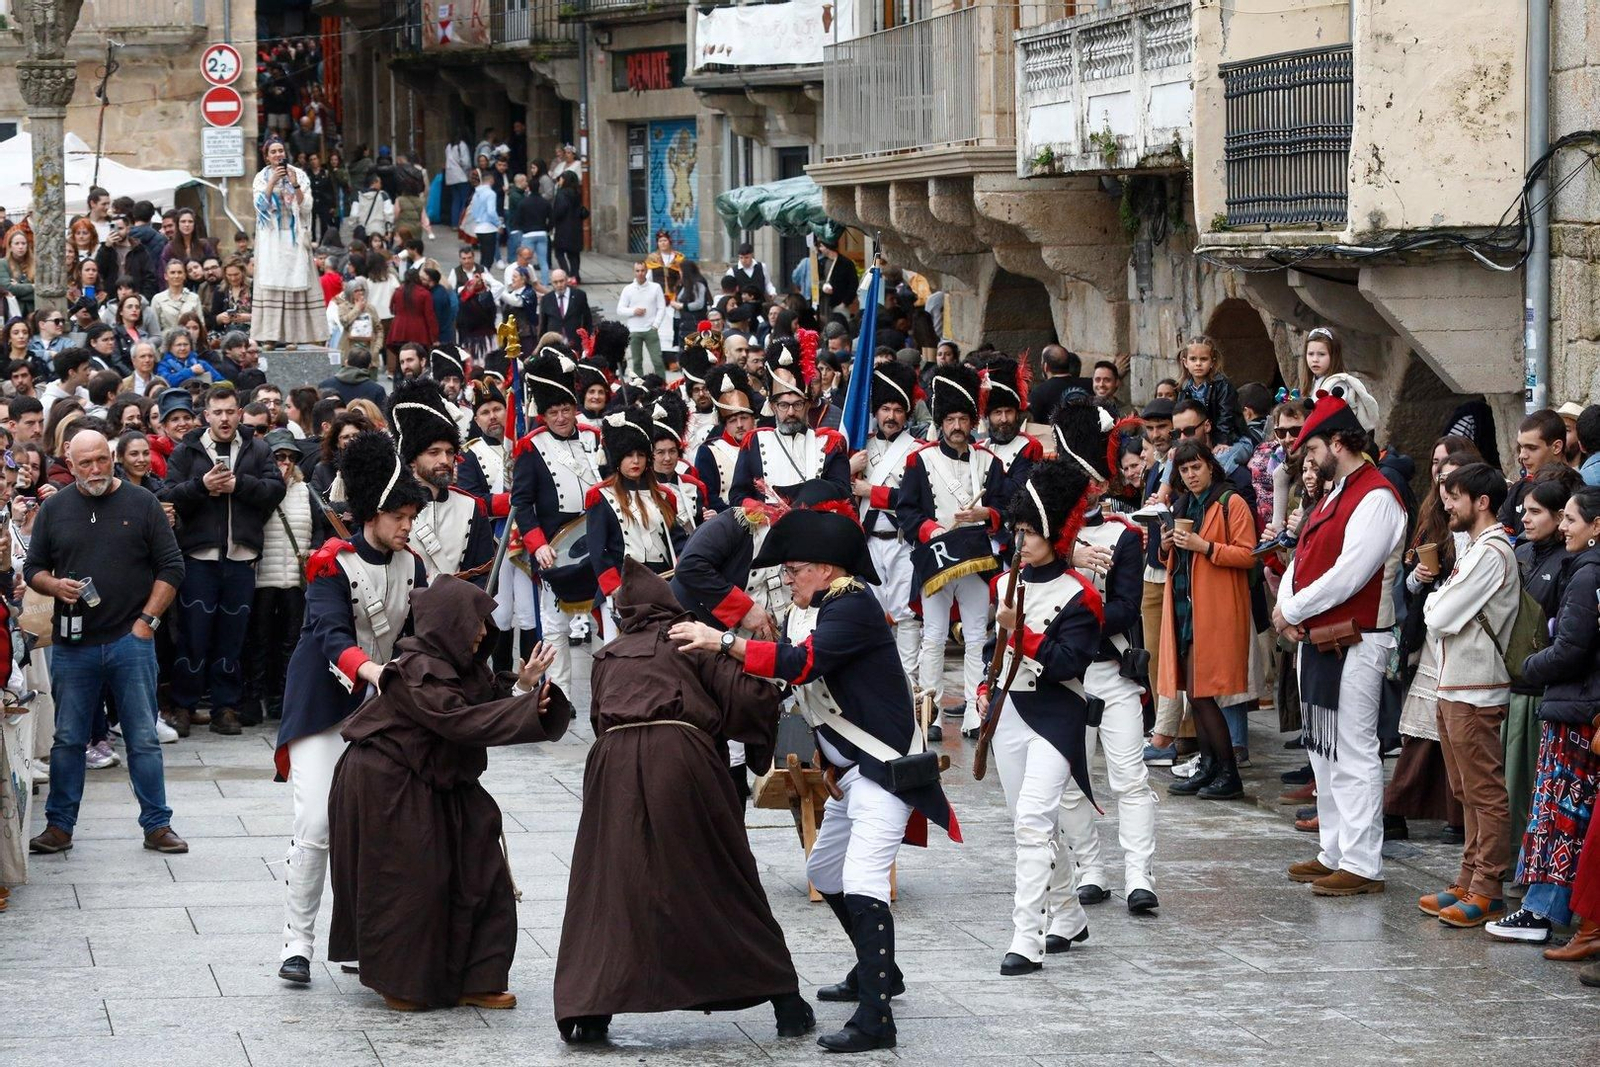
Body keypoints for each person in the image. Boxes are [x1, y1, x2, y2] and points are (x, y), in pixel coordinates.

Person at [670, 505, 960, 1053]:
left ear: (826, 569)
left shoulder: (851, 607)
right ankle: (881, 972)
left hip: (882, 772)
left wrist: (722, 643)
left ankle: (877, 1020)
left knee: (865, 880)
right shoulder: (835, 606)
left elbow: (801, 665)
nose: (787, 580)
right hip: (854, 775)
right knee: (824, 871)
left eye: (794, 569)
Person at [554, 560, 810, 1042]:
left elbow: (597, 717)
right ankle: (786, 1003)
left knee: (612, 884)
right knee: (720, 874)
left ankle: (591, 1009)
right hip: (681, 760)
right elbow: (747, 700)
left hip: (611, 769)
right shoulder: (691, 638)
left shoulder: (607, 656)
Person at [329, 580, 571, 1011]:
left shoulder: (463, 665)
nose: (482, 632)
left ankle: (477, 976)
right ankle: (403, 981)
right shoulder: (414, 671)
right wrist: (523, 709)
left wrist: (523, 688)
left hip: (441, 778)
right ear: (448, 624)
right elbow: (459, 721)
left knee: (481, 870)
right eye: (474, 622)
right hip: (388, 783)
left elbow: (480, 703)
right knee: (412, 883)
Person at [274, 431, 430, 985]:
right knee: (316, 821)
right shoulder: (328, 565)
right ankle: (297, 943)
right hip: (325, 706)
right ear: (372, 514)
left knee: (380, 830)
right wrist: (376, 673)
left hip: (386, 709)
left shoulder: (415, 566)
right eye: (399, 515)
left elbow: (423, 637)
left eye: (411, 514)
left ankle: (369, 940)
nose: (408, 525)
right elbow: (331, 637)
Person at [24, 430, 187, 857]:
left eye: (101, 460)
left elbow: (171, 566)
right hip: (74, 643)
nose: (95, 470)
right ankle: (59, 826)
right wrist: (54, 585)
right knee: (68, 739)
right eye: (85, 463)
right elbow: (34, 568)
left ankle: (157, 824)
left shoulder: (142, 503)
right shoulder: (55, 508)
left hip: (129, 639)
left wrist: (147, 622)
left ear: (112, 457)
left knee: (143, 737)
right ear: (68, 462)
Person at [1274, 394, 1406, 897]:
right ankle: (1335, 849)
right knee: (1323, 751)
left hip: (1357, 639)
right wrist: (1287, 606)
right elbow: (1301, 557)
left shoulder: (1377, 496)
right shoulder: (1336, 493)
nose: (1306, 458)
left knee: (1352, 751)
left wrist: (1293, 609)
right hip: (1323, 640)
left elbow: (1351, 574)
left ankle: (1362, 862)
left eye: (1312, 448)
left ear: (1337, 443)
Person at [977, 458, 1103, 974]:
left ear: (1054, 532)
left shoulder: (1082, 594)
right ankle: (1068, 913)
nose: (1020, 540)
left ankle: (1025, 936)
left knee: (1032, 821)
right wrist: (986, 686)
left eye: (1030, 531)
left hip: (1057, 716)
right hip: (1009, 714)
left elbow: (1069, 664)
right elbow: (993, 650)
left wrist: (1020, 631)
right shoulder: (1002, 585)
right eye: (1017, 530)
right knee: (1025, 823)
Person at [1052, 402, 1159, 912]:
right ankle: (1091, 868)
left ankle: (1140, 874)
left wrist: (1080, 611)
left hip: (1111, 671)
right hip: (1067, 679)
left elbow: (1125, 608)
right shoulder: (1049, 543)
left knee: (1130, 777)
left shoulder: (1124, 533)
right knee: (1071, 784)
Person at [1482, 485, 1600, 944]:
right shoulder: (1586, 569)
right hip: (1578, 705)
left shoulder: (1588, 573)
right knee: (1566, 815)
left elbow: (1570, 649)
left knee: (1560, 814)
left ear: (1595, 527)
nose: (1564, 527)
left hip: (1575, 709)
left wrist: (1527, 665)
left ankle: (1541, 911)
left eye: (1571, 519)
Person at [1417, 462, 1520, 928]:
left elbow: (1438, 615)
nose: (1447, 504)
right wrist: (1438, 601)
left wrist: (1436, 601)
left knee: (1483, 791)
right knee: (1464, 788)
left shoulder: (1493, 552)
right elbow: (1441, 606)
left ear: (1481, 502)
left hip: (1478, 688)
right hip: (1456, 683)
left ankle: (1488, 887)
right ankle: (1469, 876)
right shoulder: (1476, 548)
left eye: (1455, 496)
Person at [158, 384, 286, 735]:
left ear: (240, 412)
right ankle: (184, 705)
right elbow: (167, 494)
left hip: (241, 557)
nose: (225, 418)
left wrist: (238, 486)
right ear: (206, 416)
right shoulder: (187, 450)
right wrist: (202, 486)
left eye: (231, 411)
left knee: (234, 636)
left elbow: (275, 489)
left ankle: (224, 707)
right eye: (218, 412)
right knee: (193, 634)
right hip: (199, 557)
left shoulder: (258, 448)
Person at [897, 364, 1004, 737]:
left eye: (963, 418)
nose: (958, 426)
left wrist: (986, 513)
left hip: (975, 559)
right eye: (951, 419)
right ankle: (932, 714)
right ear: (941, 423)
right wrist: (931, 530)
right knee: (933, 637)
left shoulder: (990, 463)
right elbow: (907, 510)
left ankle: (976, 714)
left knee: (976, 636)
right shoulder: (920, 460)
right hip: (936, 558)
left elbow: (1007, 508)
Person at [1155, 438, 1257, 801]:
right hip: (1186, 607)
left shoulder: (1232, 502)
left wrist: (1206, 547)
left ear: (1210, 466)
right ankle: (1210, 767)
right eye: (1184, 470)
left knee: (1202, 693)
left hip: (1214, 610)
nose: (1191, 474)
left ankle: (1228, 772)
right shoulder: (1183, 503)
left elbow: (1248, 555)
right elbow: (1171, 558)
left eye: (1196, 467)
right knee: (1193, 694)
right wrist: (1166, 546)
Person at [510, 348, 603, 692]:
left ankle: (605, 689)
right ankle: (559, 693)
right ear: (543, 414)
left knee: (602, 620)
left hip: (597, 537)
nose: (561, 418)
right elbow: (522, 502)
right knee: (554, 625)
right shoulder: (530, 447)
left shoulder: (594, 436)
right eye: (554, 412)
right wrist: (538, 546)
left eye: (566, 409)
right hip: (555, 542)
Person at [851, 360, 924, 685]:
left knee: (907, 617)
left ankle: (907, 684)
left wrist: (872, 491)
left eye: (897, 409)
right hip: (867, 542)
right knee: (868, 614)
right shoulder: (859, 446)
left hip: (902, 542)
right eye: (885, 408)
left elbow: (915, 500)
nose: (891, 416)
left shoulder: (919, 451)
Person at [584, 409, 687, 633]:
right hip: (621, 588)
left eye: (641, 455)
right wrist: (615, 588)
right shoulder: (599, 496)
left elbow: (678, 541)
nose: (636, 461)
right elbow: (597, 550)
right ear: (618, 458)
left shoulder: (664, 496)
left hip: (662, 585)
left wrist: (686, 569)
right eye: (629, 455)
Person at [242, 429, 319, 726]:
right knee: (258, 640)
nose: (284, 462)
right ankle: (253, 697)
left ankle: (283, 699)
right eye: (278, 457)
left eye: (290, 457)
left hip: (295, 579)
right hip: (263, 576)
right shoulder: (259, 488)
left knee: (291, 641)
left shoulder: (306, 490)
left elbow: (320, 526)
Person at [390, 378, 495, 584]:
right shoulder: (389, 507)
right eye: (434, 452)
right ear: (412, 459)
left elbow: (484, 575)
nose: (445, 460)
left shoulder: (472, 507)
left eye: (449, 452)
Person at [728, 334, 850, 505]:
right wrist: (761, 510)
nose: (791, 412)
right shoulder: (754, 442)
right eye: (784, 405)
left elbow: (844, 497)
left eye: (798, 404)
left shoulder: (831, 444)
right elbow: (738, 496)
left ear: (807, 405)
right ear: (772, 406)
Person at [252, 137, 330, 346]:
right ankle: (270, 337)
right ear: (266, 157)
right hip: (271, 238)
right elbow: (259, 208)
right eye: (273, 152)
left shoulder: (300, 175)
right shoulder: (261, 178)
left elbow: (306, 207)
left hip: (293, 237)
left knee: (295, 285)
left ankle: (293, 338)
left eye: (280, 151)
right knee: (272, 286)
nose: (278, 155)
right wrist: (272, 183)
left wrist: (294, 183)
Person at [693, 364, 757, 513]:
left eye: (744, 418)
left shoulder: (767, 444)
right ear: (725, 424)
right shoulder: (708, 452)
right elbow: (709, 497)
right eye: (733, 420)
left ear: (753, 419)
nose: (740, 425)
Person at [1500, 409, 1572, 537]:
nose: (1522, 455)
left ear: (1556, 447)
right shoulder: (1518, 489)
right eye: (1521, 447)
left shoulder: (1574, 491)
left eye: (1531, 448)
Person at [1174, 336, 1243, 446]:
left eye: (1203, 359)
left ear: (1212, 362)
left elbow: (1226, 416)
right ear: (1185, 362)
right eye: (1193, 359)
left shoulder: (1223, 386)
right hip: (1200, 441)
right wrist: (1176, 446)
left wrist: (1222, 442)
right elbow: (1179, 419)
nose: (1198, 364)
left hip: (1232, 439)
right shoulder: (1184, 389)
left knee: (1221, 460)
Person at [617, 261, 667, 379]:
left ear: (646, 271)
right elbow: (620, 309)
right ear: (634, 272)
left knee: (658, 361)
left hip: (651, 329)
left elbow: (662, 307)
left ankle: (663, 385)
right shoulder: (628, 289)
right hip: (634, 330)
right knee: (637, 362)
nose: (640, 273)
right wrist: (634, 311)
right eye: (637, 271)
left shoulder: (655, 287)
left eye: (642, 270)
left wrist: (656, 325)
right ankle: (637, 388)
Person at [551, 172, 587, 282]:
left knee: (559, 253)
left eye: (561, 179)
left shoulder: (562, 194)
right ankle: (575, 275)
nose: (559, 181)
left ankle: (566, 274)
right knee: (574, 254)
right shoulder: (577, 193)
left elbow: (559, 211)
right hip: (576, 228)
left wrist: (553, 220)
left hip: (563, 228)